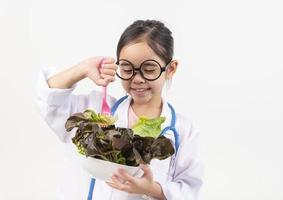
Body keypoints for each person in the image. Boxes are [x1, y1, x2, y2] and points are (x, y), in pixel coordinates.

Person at [36, 19, 203, 200]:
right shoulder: (96, 111)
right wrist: (83, 68)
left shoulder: (183, 131)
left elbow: (188, 191)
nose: (137, 79)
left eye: (148, 69)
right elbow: (48, 100)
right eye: (127, 68)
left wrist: (150, 189)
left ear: (170, 69)